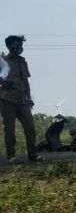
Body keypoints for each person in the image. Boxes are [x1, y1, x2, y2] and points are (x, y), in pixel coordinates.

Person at [0, 35, 43, 163]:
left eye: (19, 45)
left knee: (30, 127)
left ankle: (33, 155)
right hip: (7, 99)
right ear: (8, 46)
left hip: (22, 100)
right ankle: (11, 157)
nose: (17, 47)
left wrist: (29, 98)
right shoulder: (3, 61)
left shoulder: (23, 62)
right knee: (10, 129)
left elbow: (26, 82)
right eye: (14, 45)